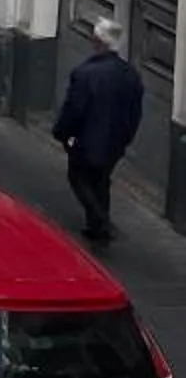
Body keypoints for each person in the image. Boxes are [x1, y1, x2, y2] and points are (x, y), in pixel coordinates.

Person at [53, 17, 144, 245]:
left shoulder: (85, 74)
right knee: (101, 179)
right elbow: (135, 112)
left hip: (87, 140)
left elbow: (74, 109)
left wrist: (62, 133)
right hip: (115, 142)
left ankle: (100, 220)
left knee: (78, 177)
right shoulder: (130, 75)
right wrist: (126, 138)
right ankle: (98, 226)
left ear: (96, 42)